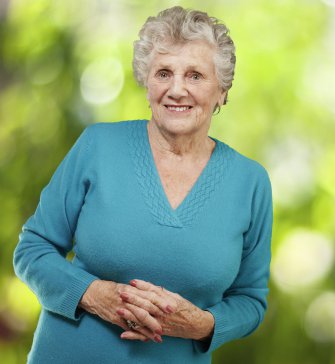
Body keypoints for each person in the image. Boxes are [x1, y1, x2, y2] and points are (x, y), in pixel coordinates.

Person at [13, 6, 273, 364]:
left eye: (195, 75)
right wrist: (94, 294)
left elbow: (250, 300)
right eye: (163, 73)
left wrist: (201, 324)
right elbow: (32, 249)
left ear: (222, 90)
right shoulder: (98, 146)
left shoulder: (250, 182)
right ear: (147, 81)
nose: (177, 89)